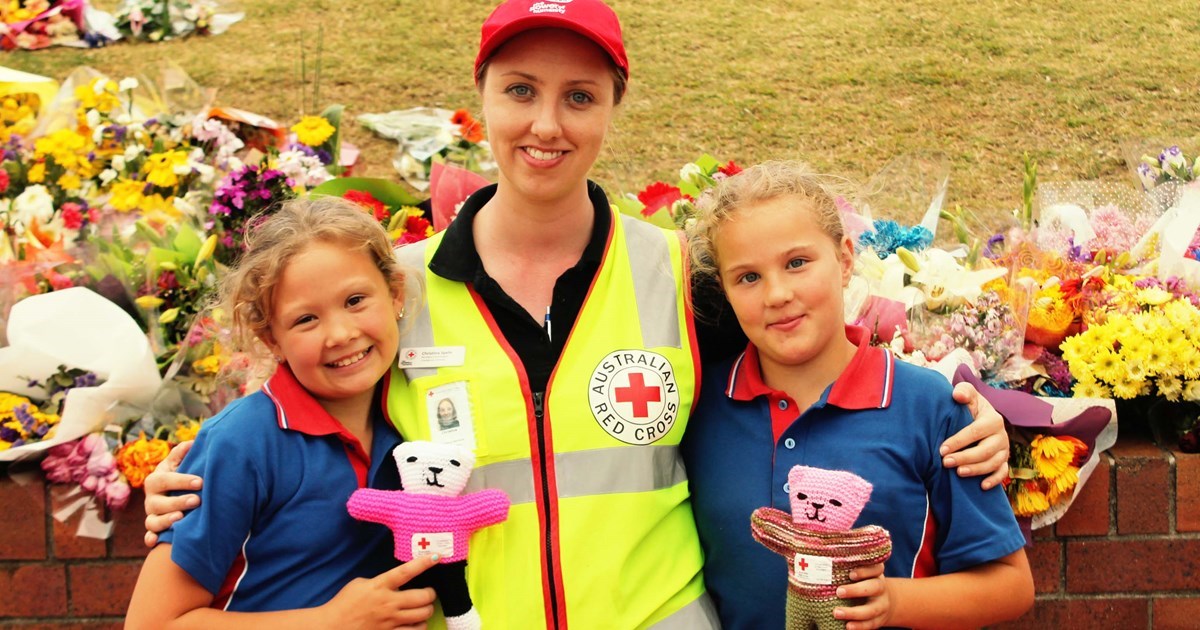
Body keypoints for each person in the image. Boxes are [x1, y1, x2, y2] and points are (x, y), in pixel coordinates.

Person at [141, 1, 1012, 627]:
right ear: (482, 96)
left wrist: (969, 412)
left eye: (580, 96)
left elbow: (806, 356)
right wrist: (192, 476)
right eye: (520, 91)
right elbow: (303, 411)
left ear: (613, 107)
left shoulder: (679, 274)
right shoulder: (397, 291)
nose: (546, 124)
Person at [682, 161, 1034, 629]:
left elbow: (1010, 585)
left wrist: (895, 601)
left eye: (797, 263)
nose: (777, 294)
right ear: (723, 290)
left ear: (845, 259)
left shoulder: (927, 407)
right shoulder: (697, 406)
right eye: (748, 277)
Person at [125, 198, 439, 629]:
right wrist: (330, 622)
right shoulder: (242, 443)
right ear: (270, 338)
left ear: (395, 292)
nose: (340, 334)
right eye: (306, 319)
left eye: (355, 300)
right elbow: (152, 623)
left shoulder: (417, 411)